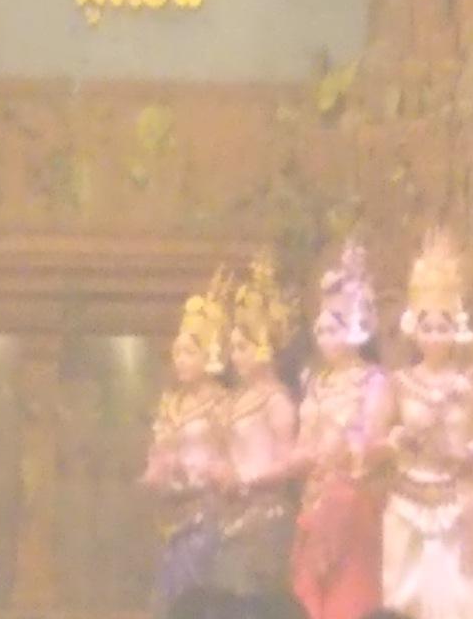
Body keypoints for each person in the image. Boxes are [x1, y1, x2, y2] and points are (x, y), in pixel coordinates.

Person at [378, 229, 473, 619]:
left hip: (455, 503)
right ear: (414, 330)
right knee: (403, 600)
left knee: (456, 601)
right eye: (427, 327)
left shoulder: (472, 382)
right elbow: (374, 439)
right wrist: (398, 439)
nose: (434, 336)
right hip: (407, 503)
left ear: (456, 331)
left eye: (443, 327)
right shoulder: (398, 383)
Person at [291, 240, 390, 619]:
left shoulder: (374, 381)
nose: (324, 339)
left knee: (350, 599)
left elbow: (371, 444)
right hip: (313, 502)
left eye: (332, 330)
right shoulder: (315, 383)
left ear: (356, 330)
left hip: (353, 506)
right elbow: (303, 444)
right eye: (320, 331)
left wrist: (349, 456)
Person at [143, 268, 234, 611]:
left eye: (189, 353)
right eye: (177, 353)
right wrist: (157, 469)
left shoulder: (222, 402)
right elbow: (158, 453)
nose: (180, 361)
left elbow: (229, 456)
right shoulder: (171, 402)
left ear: (208, 355)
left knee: (200, 595)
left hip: (209, 511)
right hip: (173, 510)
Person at [211, 252, 300, 597]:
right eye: (232, 348)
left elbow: (286, 463)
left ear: (264, 348)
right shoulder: (234, 400)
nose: (235, 356)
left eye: (243, 348)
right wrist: (221, 470)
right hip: (231, 510)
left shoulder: (277, 400)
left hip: (266, 513)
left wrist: (247, 480)